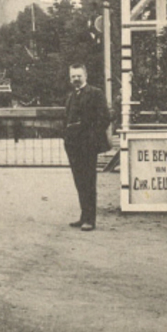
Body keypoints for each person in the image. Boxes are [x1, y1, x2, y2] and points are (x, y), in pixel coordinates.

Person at [63, 63, 111, 232]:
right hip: (73, 146)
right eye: (73, 76)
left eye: (79, 76)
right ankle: (84, 216)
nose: (76, 79)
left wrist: (91, 137)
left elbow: (105, 118)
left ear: (86, 76)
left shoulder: (96, 93)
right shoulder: (71, 96)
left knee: (89, 181)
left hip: (88, 145)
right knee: (79, 181)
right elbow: (67, 119)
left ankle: (90, 219)